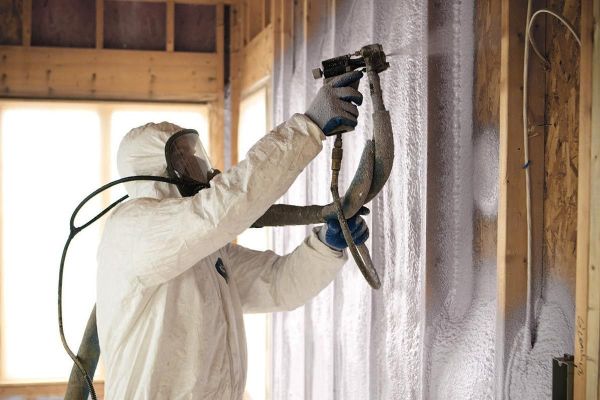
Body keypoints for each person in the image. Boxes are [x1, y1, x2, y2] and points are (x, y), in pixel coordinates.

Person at [96, 70, 369, 399]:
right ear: (157, 172)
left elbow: (277, 284)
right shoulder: (132, 228)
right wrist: (307, 128)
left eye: (194, 152)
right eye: (183, 158)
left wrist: (326, 247)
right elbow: (218, 210)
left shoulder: (206, 252)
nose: (199, 164)